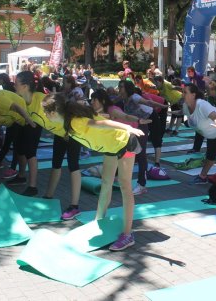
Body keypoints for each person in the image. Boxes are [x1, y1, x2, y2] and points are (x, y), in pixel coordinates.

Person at [42, 93, 143, 251]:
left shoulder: (76, 122)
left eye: (45, 112)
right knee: (105, 183)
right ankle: (99, 220)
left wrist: (128, 127)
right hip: (111, 145)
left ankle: (128, 235)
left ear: (53, 113)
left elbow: (102, 123)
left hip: (124, 142)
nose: (45, 115)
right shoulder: (68, 120)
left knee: (125, 187)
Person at [14, 71, 82, 219]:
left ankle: (75, 206)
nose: (14, 86)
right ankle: (48, 196)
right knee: (56, 164)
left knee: (73, 166)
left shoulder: (40, 100)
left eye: (16, 83)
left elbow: (64, 107)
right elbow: (31, 121)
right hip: (60, 134)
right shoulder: (25, 102)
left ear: (25, 86)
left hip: (72, 131)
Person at [183, 84, 216, 188]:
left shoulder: (201, 105)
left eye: (185, 92)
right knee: (210, 156)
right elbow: (188, 116)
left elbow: (215, 117)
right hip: (212, 133)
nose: (183, 94)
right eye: (183, 92)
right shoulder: (186, 106)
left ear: (193, 95)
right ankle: (202, 177)